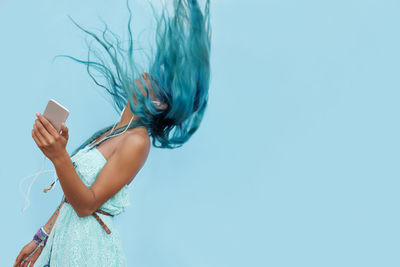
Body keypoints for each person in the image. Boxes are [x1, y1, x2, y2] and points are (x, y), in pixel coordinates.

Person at [13, 0, 211, 266]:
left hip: (89, 249)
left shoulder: (138, 141)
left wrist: (59, 156)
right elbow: (72, 199)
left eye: (155, 82)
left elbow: (86, 204)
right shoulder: (112, 132)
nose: (145, 75)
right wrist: (40, 238)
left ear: (161, 104)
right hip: (66, 240)